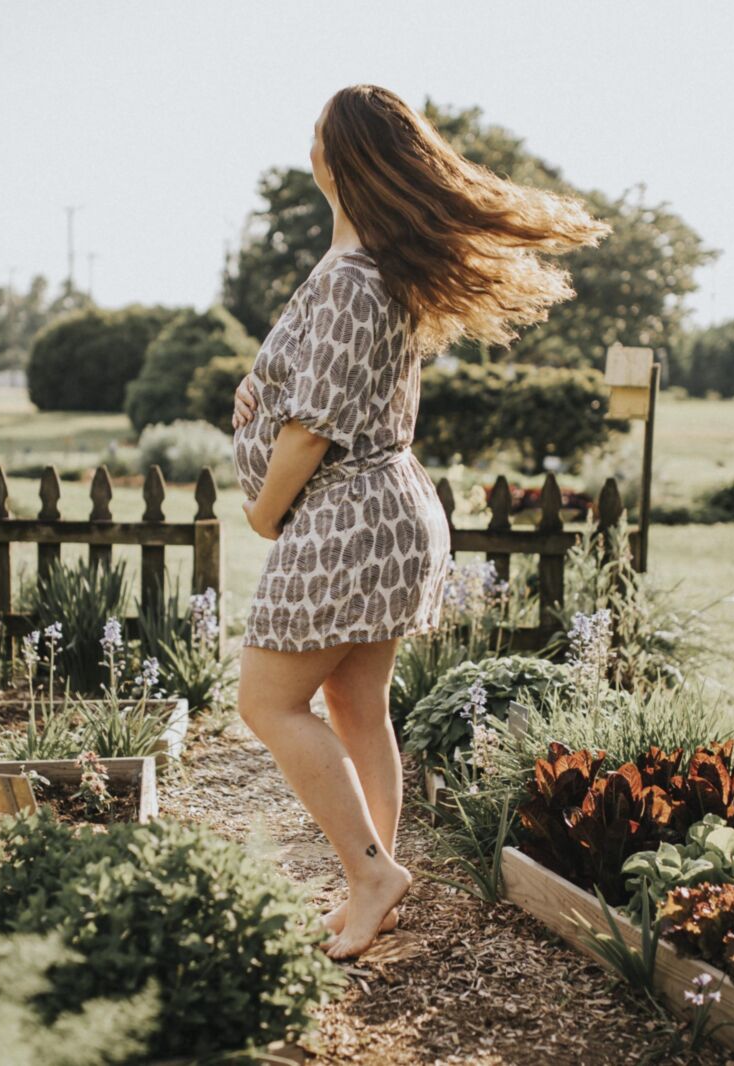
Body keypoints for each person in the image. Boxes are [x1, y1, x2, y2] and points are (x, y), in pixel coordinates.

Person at [230, 84, 609, 959]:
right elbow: (317, 392)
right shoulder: (371, 271)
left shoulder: (351, 278)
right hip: (385, 511)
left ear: (337, 156)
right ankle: (376, 883)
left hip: (345, 516)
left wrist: (262, 507)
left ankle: (370, 874)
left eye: (316, 129)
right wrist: (255, 393)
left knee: (265, 701)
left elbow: (316, 427)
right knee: (357, 704)